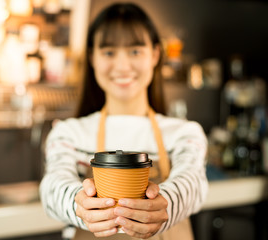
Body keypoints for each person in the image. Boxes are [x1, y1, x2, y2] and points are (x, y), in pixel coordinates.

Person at [39, 3, 208, 240]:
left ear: (155, 55)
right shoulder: (68, 134)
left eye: (135, 51)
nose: (122, 66)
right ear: (92, 58)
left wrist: (165, 204)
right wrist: (80, 206)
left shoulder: (185, 133)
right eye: (109, 52)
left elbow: (193, 183)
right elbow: (52, 186)